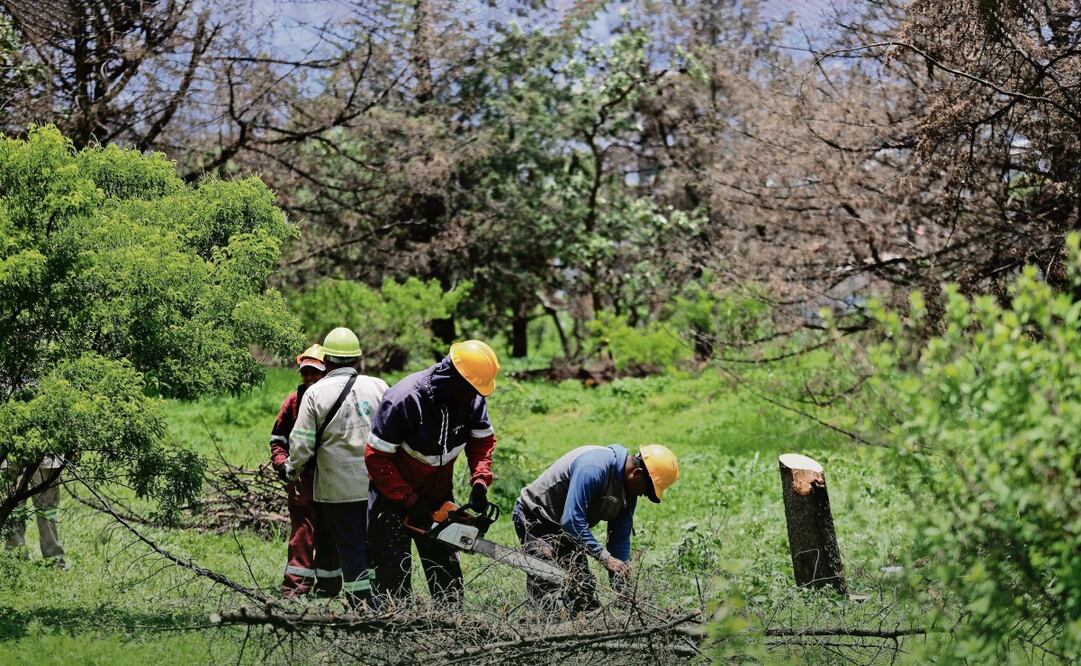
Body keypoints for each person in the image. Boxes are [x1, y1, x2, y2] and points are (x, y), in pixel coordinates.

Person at [365, 340, 500, 607]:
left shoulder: (472, 400)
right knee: (392, 578)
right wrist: (410, 501)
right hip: (392, 499)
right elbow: (376, 459)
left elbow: (481, 441)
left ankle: (450, 629)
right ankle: (391, 635)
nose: (475, 395)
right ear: (455, 378)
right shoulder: (404, 399)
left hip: (438, 497)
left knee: (447, 579)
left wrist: (480, 481)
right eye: (471, 389)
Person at [285, 328, 388, 609]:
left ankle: (360, 605)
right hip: (376, 486)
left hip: (336, 488)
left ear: (326, 360)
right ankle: (383, 602)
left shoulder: (315, 393)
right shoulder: (379, 386)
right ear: (357, 358)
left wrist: (291, 470)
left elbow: (302, 444)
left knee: (351, 548)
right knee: (374, 546)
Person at [512, 444, 679, 612]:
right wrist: (605, 558)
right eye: (647, 489)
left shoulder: (629, 492)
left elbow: (619, 541)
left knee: (582, 587)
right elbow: (572, 521)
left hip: (566, 530)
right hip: (536, 518)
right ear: (637, 474)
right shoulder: (593, 467)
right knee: (546, 580)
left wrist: (623, 591)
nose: (643, 495)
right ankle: (538, 629)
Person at [269, 344, 341, 598]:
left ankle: (329, 588)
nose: (310, 378)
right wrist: (283, 466)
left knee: (330, 532)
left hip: (333, 477)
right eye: (306, 372)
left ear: (326, 372)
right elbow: (278, 439)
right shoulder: (293, 401)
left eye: (315, 372)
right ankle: (294, 589)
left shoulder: (336, 399)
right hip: (303, 479)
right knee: (302, 534)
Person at [3, 457, 66, 569]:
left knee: (47, 511)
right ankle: (15, 558)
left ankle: (54, 561)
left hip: (47, 457)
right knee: (14, 508)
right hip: (15, 453)